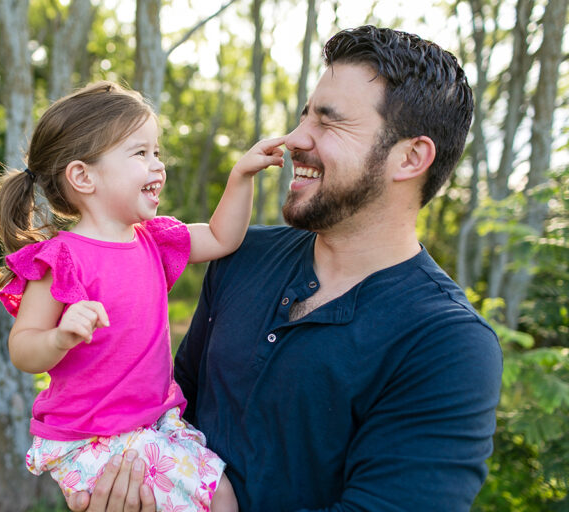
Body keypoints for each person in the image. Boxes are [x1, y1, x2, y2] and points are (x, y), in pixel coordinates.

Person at [67, 26, 503, 512]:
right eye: (303, 116)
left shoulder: (447, 345)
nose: (295, 140)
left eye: (329, 123)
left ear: (411, 158)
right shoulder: (241, 257)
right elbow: (170, 408)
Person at [0, 81, 285, 512]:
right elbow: (23, 348)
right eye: (140, 153)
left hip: (152, 423)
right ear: (83, 176)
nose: (157, 165)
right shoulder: (61, 258)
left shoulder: (153, 241)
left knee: (221, 495)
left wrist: (240, 175)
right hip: (95, 438)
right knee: (219, 499)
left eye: (157, 152)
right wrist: (59, 338)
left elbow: (222, 237)